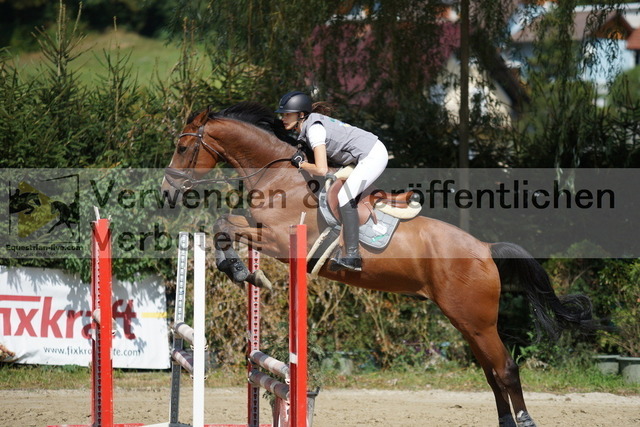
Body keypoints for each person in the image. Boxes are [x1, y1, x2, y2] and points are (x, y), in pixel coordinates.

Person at [275, 90, 389, 272]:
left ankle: (352, 255)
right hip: (360, 156)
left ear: (301, 115)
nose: (283, 118)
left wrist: (302, 164)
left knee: (345, 197)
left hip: (372, 155)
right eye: (282, 114)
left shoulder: (314, 130)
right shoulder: (308, 127)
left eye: (287, 114)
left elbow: (321, 169)